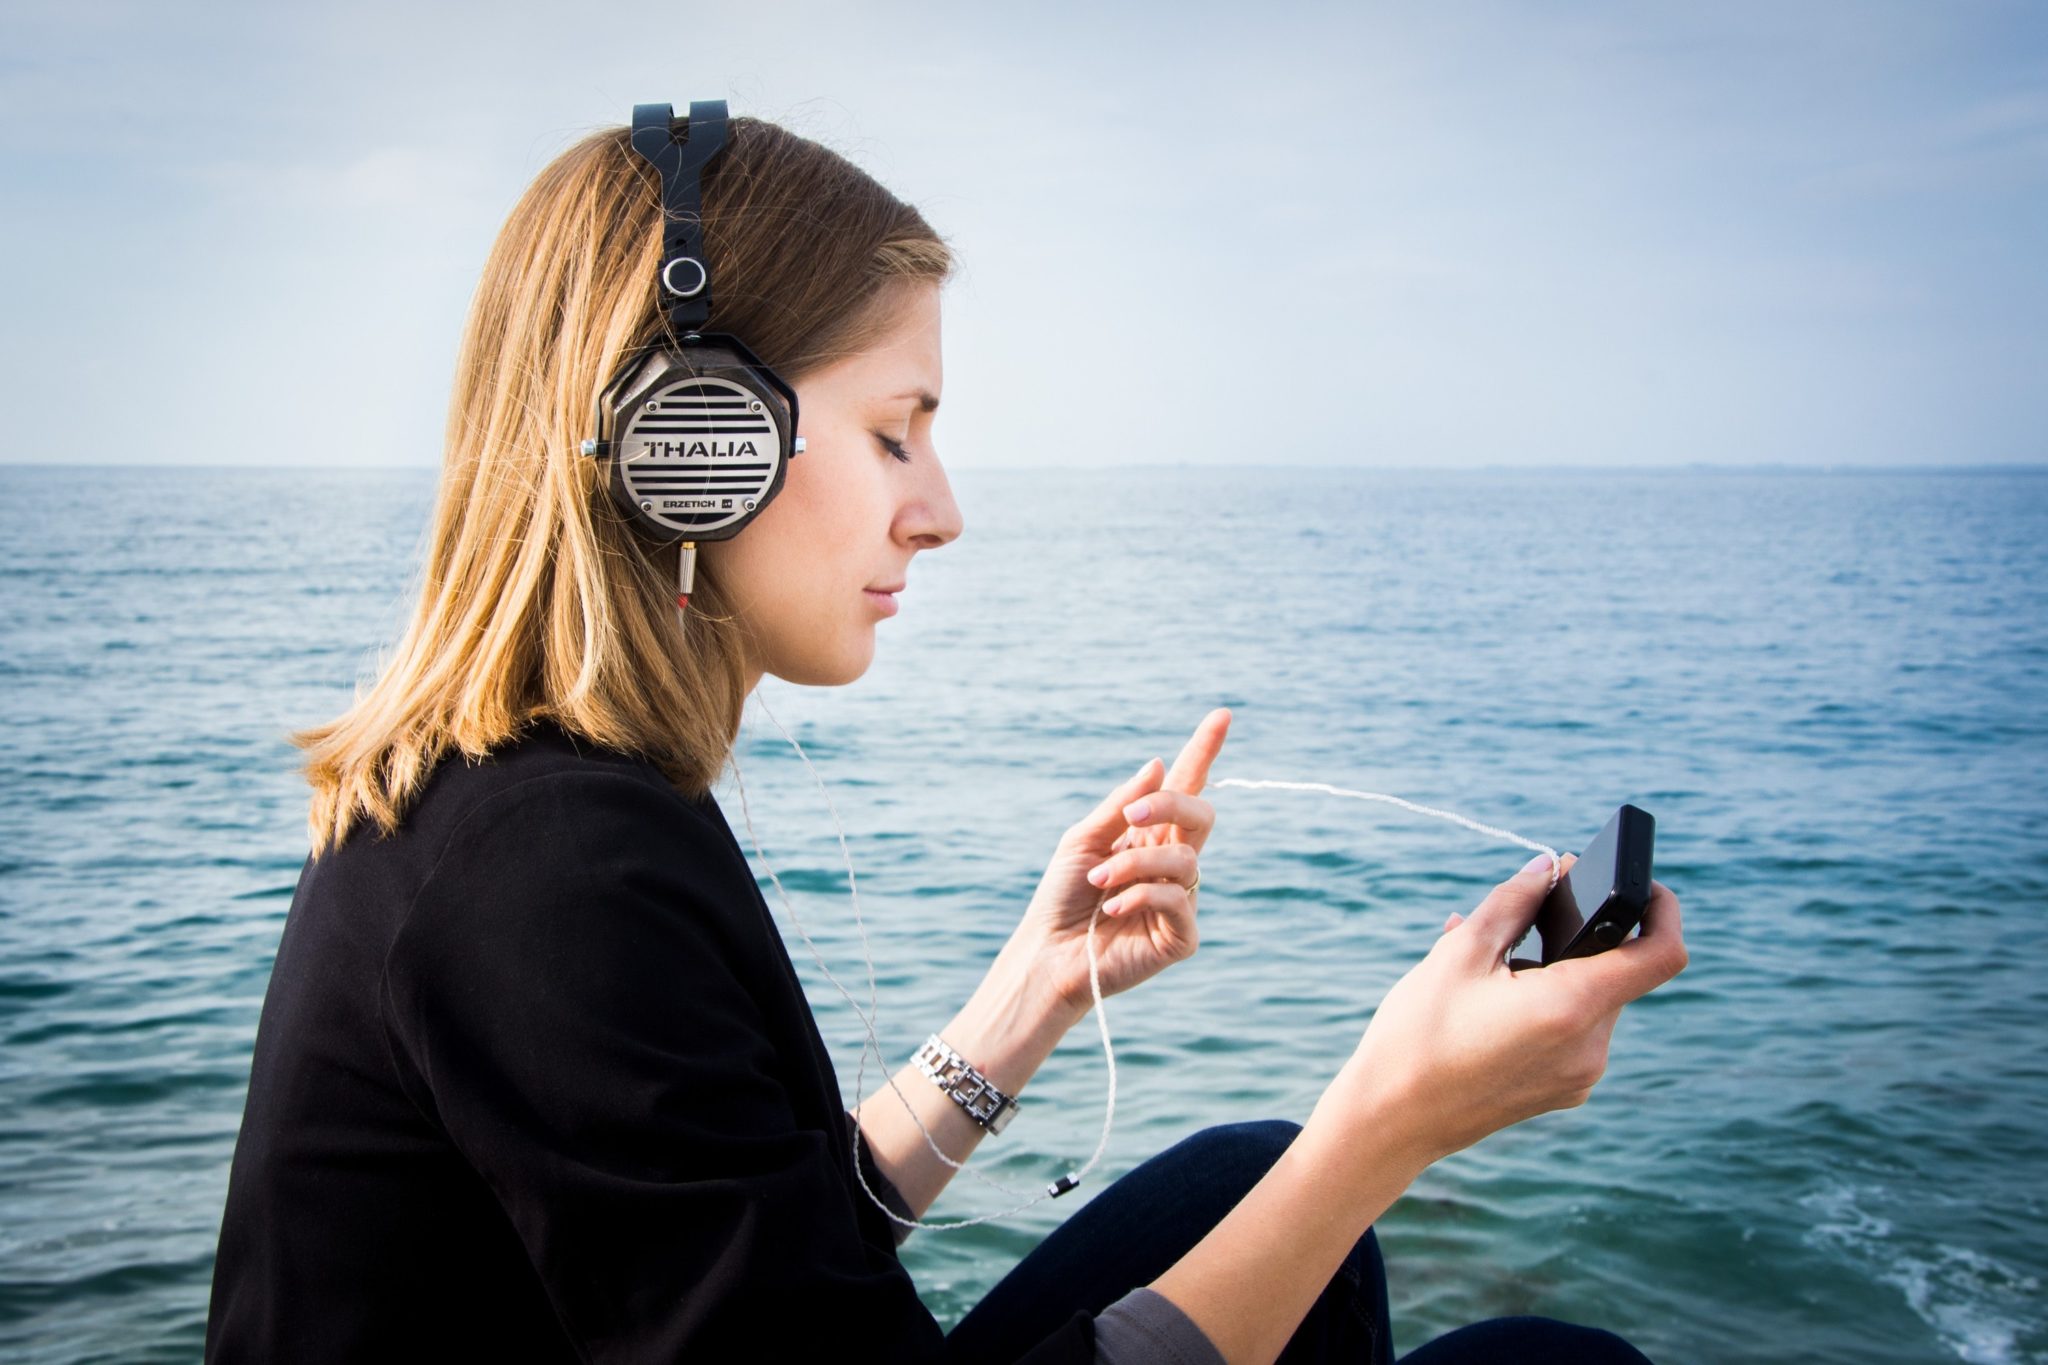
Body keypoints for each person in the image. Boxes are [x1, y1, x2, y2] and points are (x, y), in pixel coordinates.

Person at [204, 108, 1688, 1364]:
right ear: (689, 440)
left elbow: (754, 1260)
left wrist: (1029, 999)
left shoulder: (537, 803)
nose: (943, 507)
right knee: (1543, 1355)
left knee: (1249, 1175)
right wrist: (1390, 1125)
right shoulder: (541, 873)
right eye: (895, 429)